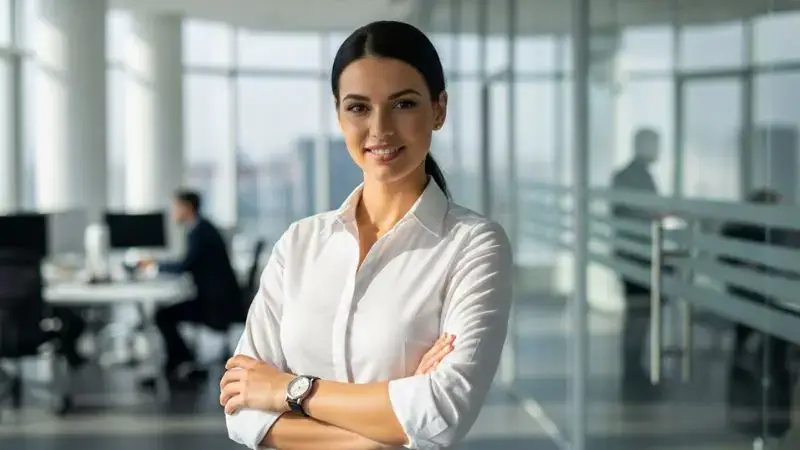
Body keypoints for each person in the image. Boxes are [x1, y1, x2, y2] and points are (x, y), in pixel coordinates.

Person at [221, 21, 513, 450]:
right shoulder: (300, 244)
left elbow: (442, 411)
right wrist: (380, 436)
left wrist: (289, 390)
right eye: (358, 107)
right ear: (339, 115)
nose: (380, 128)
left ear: (439, 110)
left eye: (404, 104)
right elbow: (241, 410)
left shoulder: (473, 245)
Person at [140, 190, 242, 382]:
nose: (173, 213)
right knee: (166, 312)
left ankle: (181, 362)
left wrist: (154, 266)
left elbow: (186, 264)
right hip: (218, 299)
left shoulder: (200, 232)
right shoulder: (202, 228)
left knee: (163, 314)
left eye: (176, 207)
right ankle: (180, 362)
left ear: (186, 208)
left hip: (215, 305)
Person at [610, 128, 661, 386]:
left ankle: (633, 366)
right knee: (639, 313)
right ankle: (632, 368)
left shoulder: (628, 176)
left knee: (638, 314)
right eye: (655, 145)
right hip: (636, 256)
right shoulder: (633, 177)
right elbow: (646, 213)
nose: (658, 150)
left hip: (632, 254)